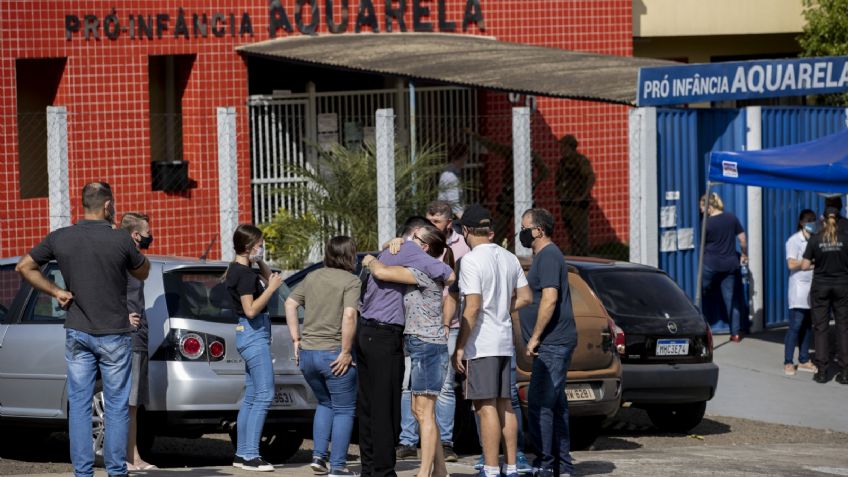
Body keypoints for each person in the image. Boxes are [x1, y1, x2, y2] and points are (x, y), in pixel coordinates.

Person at [15, 182, 150, 477]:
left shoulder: (60, 237)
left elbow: (24, 266)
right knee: (115, 406)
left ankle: (83, 473)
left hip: (77, 331)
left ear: (83, 204)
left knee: (78, 405)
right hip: (115, 332)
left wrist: (57, 292)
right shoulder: (121, 240)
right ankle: (116, 471)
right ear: (107, 206)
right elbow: (143, 270)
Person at [357, 218, 454, 477]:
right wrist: (388, 246)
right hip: (394, 338)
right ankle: (389, 471)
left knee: (387, 408)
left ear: (424, 246)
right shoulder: (407, 251)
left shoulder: (414, 261)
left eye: (417, 240)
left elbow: (449, 273)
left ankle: (418, 472)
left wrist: (370, 259)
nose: (411, 242)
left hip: (404, 339)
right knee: (398, 409)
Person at [452, 204, 531, 477]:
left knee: (485, 407)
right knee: (505, 405)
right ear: (489, 231)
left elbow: (472, 307)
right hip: (503, 341)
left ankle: (490, 467)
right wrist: (502, 307)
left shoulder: (471, 260)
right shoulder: (509, 257)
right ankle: (510, 466)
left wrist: (460, 346)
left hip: (482, 343)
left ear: (466, 231)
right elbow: (526, 297)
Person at [397, 201, 470, 463]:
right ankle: (410, 442)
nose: (429, 227)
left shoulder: (455, 251)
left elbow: (454, 290)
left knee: (441, 392)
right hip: (419, 332)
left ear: (449, 223)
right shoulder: (420, 250)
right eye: (427, 222)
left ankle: (442, 448)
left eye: (435, 223)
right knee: (412, 391)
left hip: (437, 333)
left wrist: (446, 322)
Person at [284, 236, 360, 477]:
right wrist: (347, 351)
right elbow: (349, 316)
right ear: (350, 255)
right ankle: (338, 466)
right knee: (344, 409)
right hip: (334, 353)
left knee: (325, 403)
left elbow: (289, 303)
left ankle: (318, 457)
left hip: (308, 353)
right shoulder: (351, 281)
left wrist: (296, 339)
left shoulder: (312, 276)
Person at [517, 208, 578, 477]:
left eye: (525, 227)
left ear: (538, 230)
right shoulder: (544, 257)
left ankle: (545, 463)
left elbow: (550, 299)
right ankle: (561, 466)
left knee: (540, 403)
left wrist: (535, 337)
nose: (522, 232)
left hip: (552, 343)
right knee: (555, 405)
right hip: (551, 344)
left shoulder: (549, 256)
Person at [225, 224, 284, 471]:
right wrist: (270, 289)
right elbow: (250, 310)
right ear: (249, 246)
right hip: (253, 335)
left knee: (251, 396)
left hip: (250, 335)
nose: (263, 246)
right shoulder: (245, 275)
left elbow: (270, 277)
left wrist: (260, 263)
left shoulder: (242, 270)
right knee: (265, 394)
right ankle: (251, 454)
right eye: (259, 243)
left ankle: (241, 454)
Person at [120, 212, 158, 471]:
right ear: (135, 234)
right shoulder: (122, 260)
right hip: (130, 338)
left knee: (134, 405)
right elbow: (105, 291)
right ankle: (128, 458)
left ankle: (133, 456)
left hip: (140, 337)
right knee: (128, 402)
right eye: (146, 232)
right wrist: (123, 317)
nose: (149, 236)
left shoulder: (135, 260)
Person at [801, 207, 848, 385]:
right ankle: (845, 372)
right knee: (843, 327)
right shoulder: (845, 237)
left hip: (820, 287)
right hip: (843, 286)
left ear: (822, 219)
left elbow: (804, 266)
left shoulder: (815, 239)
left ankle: (822, 372)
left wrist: (817, 262)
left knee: (821, 328)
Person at [700, 192, 748, 342]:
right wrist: (744, 254)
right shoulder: (731, 218)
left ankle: (701, 329)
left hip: (711, 265)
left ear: (708, 206)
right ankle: (735, 334)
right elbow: (742, 239)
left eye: (702, 207)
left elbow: (702, 245)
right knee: (731, 300)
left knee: (701, 294)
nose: (701, 210)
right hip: (730, 265)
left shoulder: (707, 223)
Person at [783, 209, 817, 376]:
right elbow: (790, 264)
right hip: (798, 289)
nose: (812, 224)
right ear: (802, 223)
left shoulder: (815, 239)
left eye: (814, 221)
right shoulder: (794, 241)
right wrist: (808, 263)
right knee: (795, 326)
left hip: (812, 288)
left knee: (807, 326)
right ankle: (788, 362)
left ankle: (803, 359)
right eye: (809, 221)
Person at [555, 135, 595, 256]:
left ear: (570, 147)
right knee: (570, 231)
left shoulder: (580, 160)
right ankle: (575, 255)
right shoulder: (562, 162)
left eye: (564, 146)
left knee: (580, 233)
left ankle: (583, 256)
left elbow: (590, 178)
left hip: (577, 203)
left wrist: (583, 195)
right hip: (566, 202)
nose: (561, 149)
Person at [438, 143, 468, 218]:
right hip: (449, 218)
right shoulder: (450, 175)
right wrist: (467, 222)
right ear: (464, 156)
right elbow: (454, 204)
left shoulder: (454, 172)